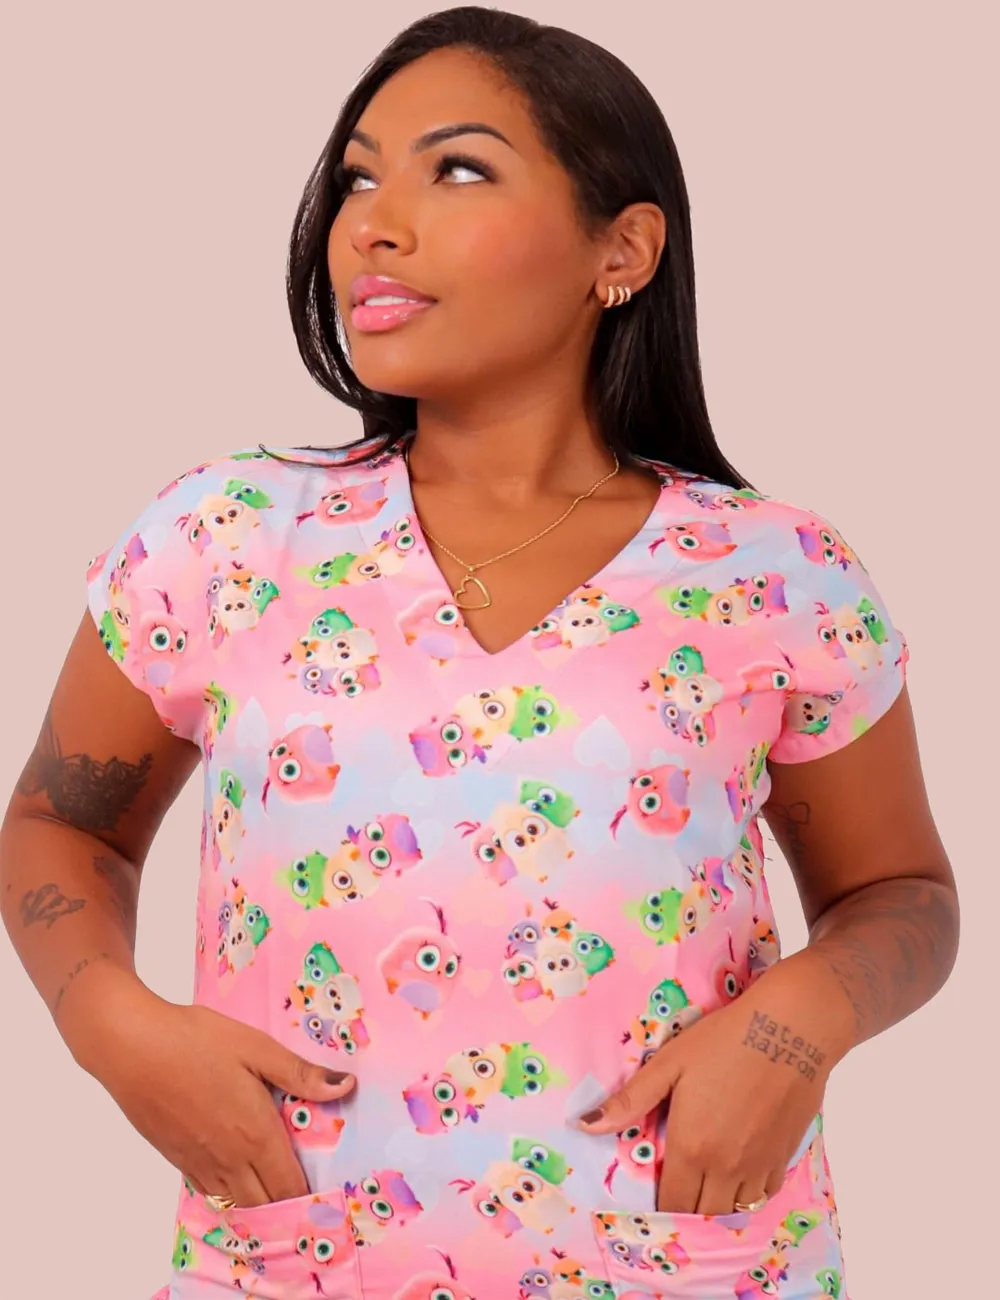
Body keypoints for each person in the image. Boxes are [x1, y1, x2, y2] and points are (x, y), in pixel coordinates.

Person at [1, 6, 958, 1298]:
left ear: (622, 249)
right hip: (294, 1259)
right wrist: (108, 1025)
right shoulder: (225, 535)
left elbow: (901, 892)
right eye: (357, 179)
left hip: (691, 1259)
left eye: (456, 168)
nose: (372, 225)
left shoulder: (775, 572)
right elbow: (61, 827)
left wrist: (803, 1022)